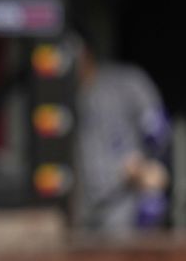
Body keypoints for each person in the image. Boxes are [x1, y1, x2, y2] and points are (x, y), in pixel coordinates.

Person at [73, 30, 171, 234]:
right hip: (82, 205)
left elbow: (157, 131)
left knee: (152, 200)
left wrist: (144, 165)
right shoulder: (63, 96)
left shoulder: (127, 81)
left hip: (122, 199)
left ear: (86, 53)